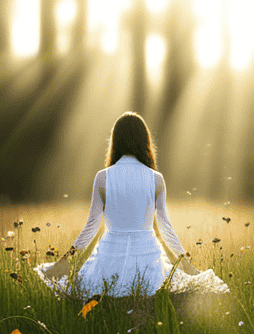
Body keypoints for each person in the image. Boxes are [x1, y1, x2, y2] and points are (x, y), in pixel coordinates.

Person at [34, 112, 229, 298]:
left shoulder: (103, 177)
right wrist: (185, 263)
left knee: (98, 296)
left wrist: (66, 258)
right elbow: (165, 227)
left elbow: (91, 227)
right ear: (145, 141)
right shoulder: (156, 179)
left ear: (115, 141)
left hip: (110, 256)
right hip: (147, 259)